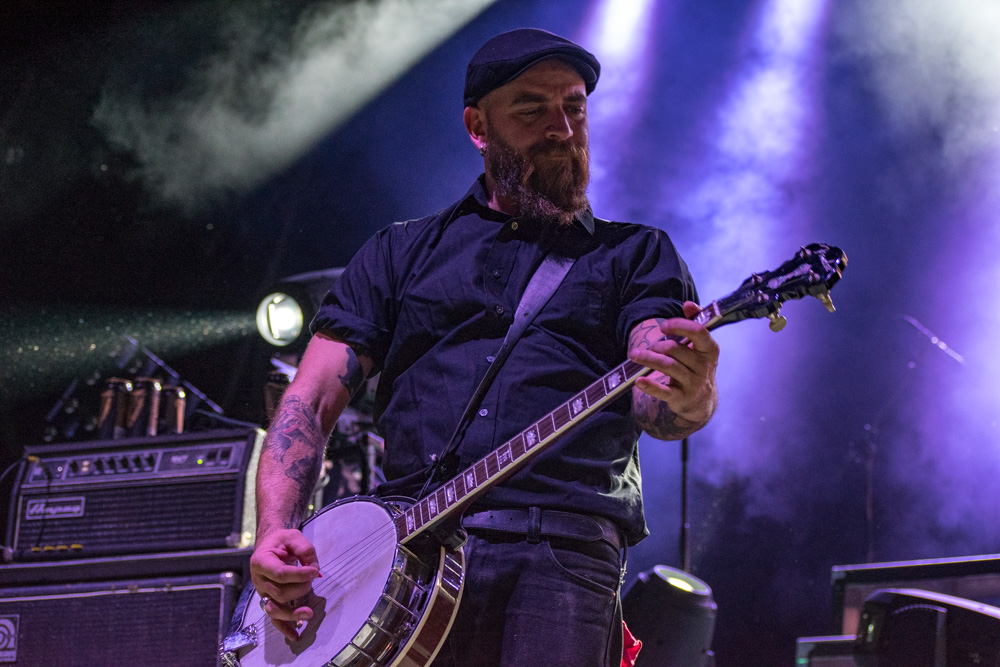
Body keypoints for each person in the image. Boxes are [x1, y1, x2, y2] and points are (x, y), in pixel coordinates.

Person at [249, 27, 719, 667]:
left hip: (561, 548)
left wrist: (689, 390)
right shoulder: (400, 252)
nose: (562, 128)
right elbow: (309, 398)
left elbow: (660, 399)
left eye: (575, 107)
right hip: (409, 556)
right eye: (531, 109)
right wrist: (276, 530)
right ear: (478, 127)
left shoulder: (635, 254)